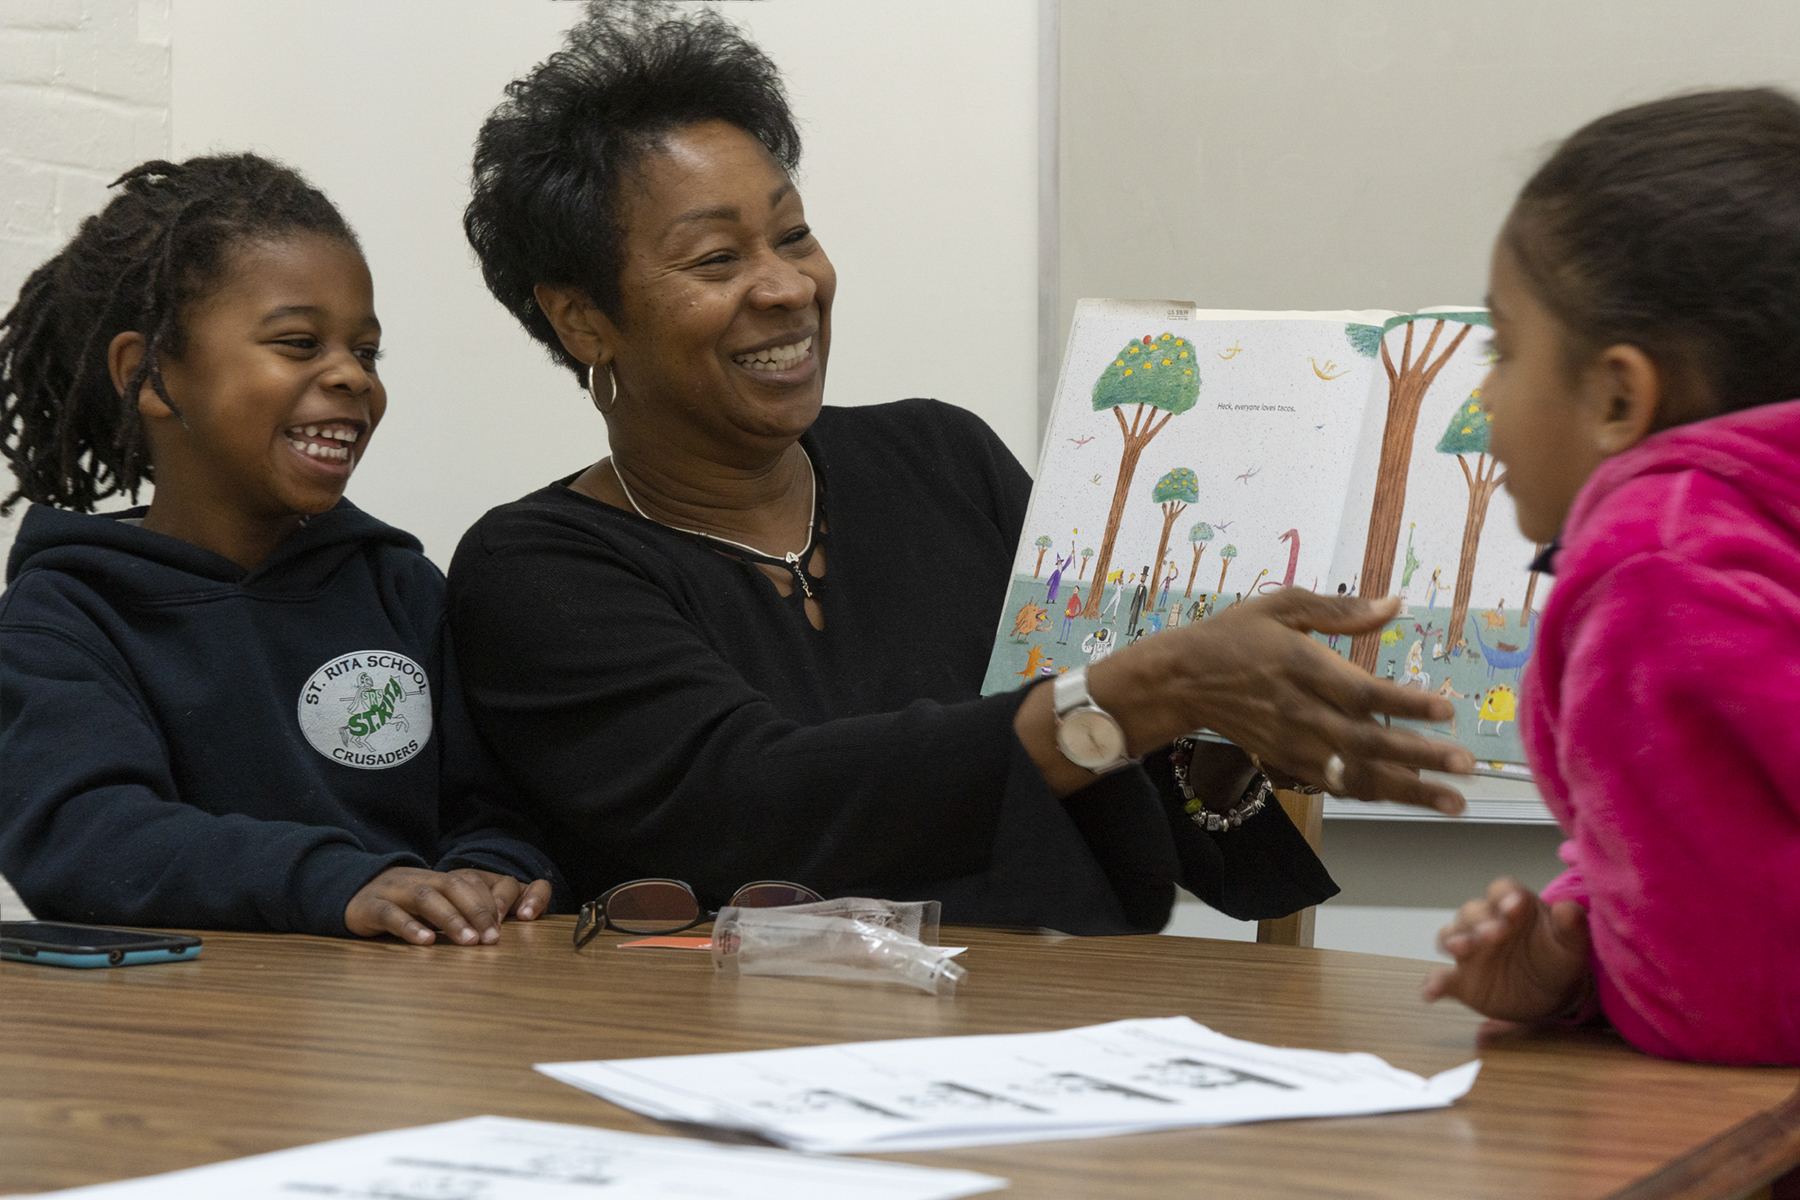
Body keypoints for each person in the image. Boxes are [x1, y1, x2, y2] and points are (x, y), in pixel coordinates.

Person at [448, 5, 1470, 934]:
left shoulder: (941, 458)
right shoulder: (534, 569)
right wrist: (1148, 683)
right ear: (581, 316)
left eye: (794, 234)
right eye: (717, 260)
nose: (787, 286)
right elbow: (755, 809)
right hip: (750, 1062)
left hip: (1069, 1025)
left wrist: (1224, 738)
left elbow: (1108, 771)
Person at [0, 154, 558, 944]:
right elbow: (88, 841)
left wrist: (493, 869)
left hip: (408, 1026)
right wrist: (340, 882)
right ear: (151, 375)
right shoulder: (67, 616)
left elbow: (497, 804)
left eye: (366, 352)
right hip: (184, 1039)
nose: (351, 378)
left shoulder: (403, 589)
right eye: (299, 343)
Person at [1423, 89, 1800, 1065]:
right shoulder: (1746, 536)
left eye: (1501, 349)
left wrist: (1612, 976)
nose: (1483, 395)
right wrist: (1577, 947)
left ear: (1619, 395)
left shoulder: (1657, 569)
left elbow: (1734, 1006)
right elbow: (1748, 850)